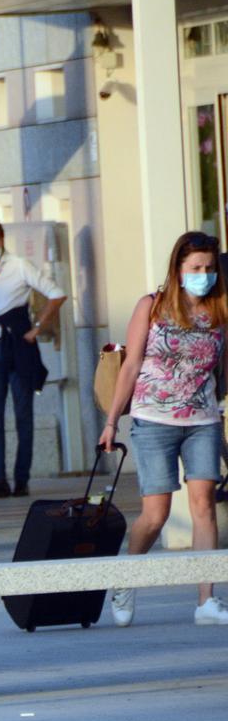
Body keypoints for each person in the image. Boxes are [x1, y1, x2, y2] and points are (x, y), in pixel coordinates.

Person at [99, 231, 228, 626]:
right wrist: (111, 422)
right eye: (195, 268)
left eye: (209, 268)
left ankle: (207, 600)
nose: (203, 275)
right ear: (178, 269)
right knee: (156, 514)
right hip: (153, 420)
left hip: (202, 419)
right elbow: (132, 365)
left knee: (204, 507)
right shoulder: (152, 307)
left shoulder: (220, 308)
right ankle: (126, 579)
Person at [0, 218, 66, 499]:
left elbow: (56, 294)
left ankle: (21, 479)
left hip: (18, 346)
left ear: (2, 238)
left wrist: (38, 328)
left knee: (23, 415)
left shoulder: (19, 265)